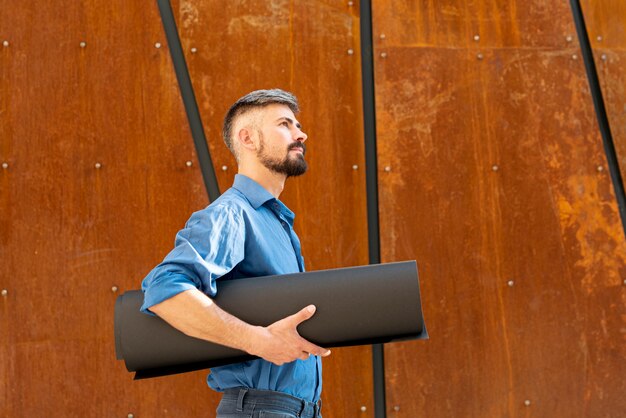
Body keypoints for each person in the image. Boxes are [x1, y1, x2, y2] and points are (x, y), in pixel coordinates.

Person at [140, 89, 329, 418]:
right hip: (261, 410)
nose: (301, 134)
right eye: (285, 124)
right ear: (248, 139)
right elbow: (164, 289)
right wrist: (258, 341)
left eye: (298, 125)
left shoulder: (276, 222)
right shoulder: (232, 213)